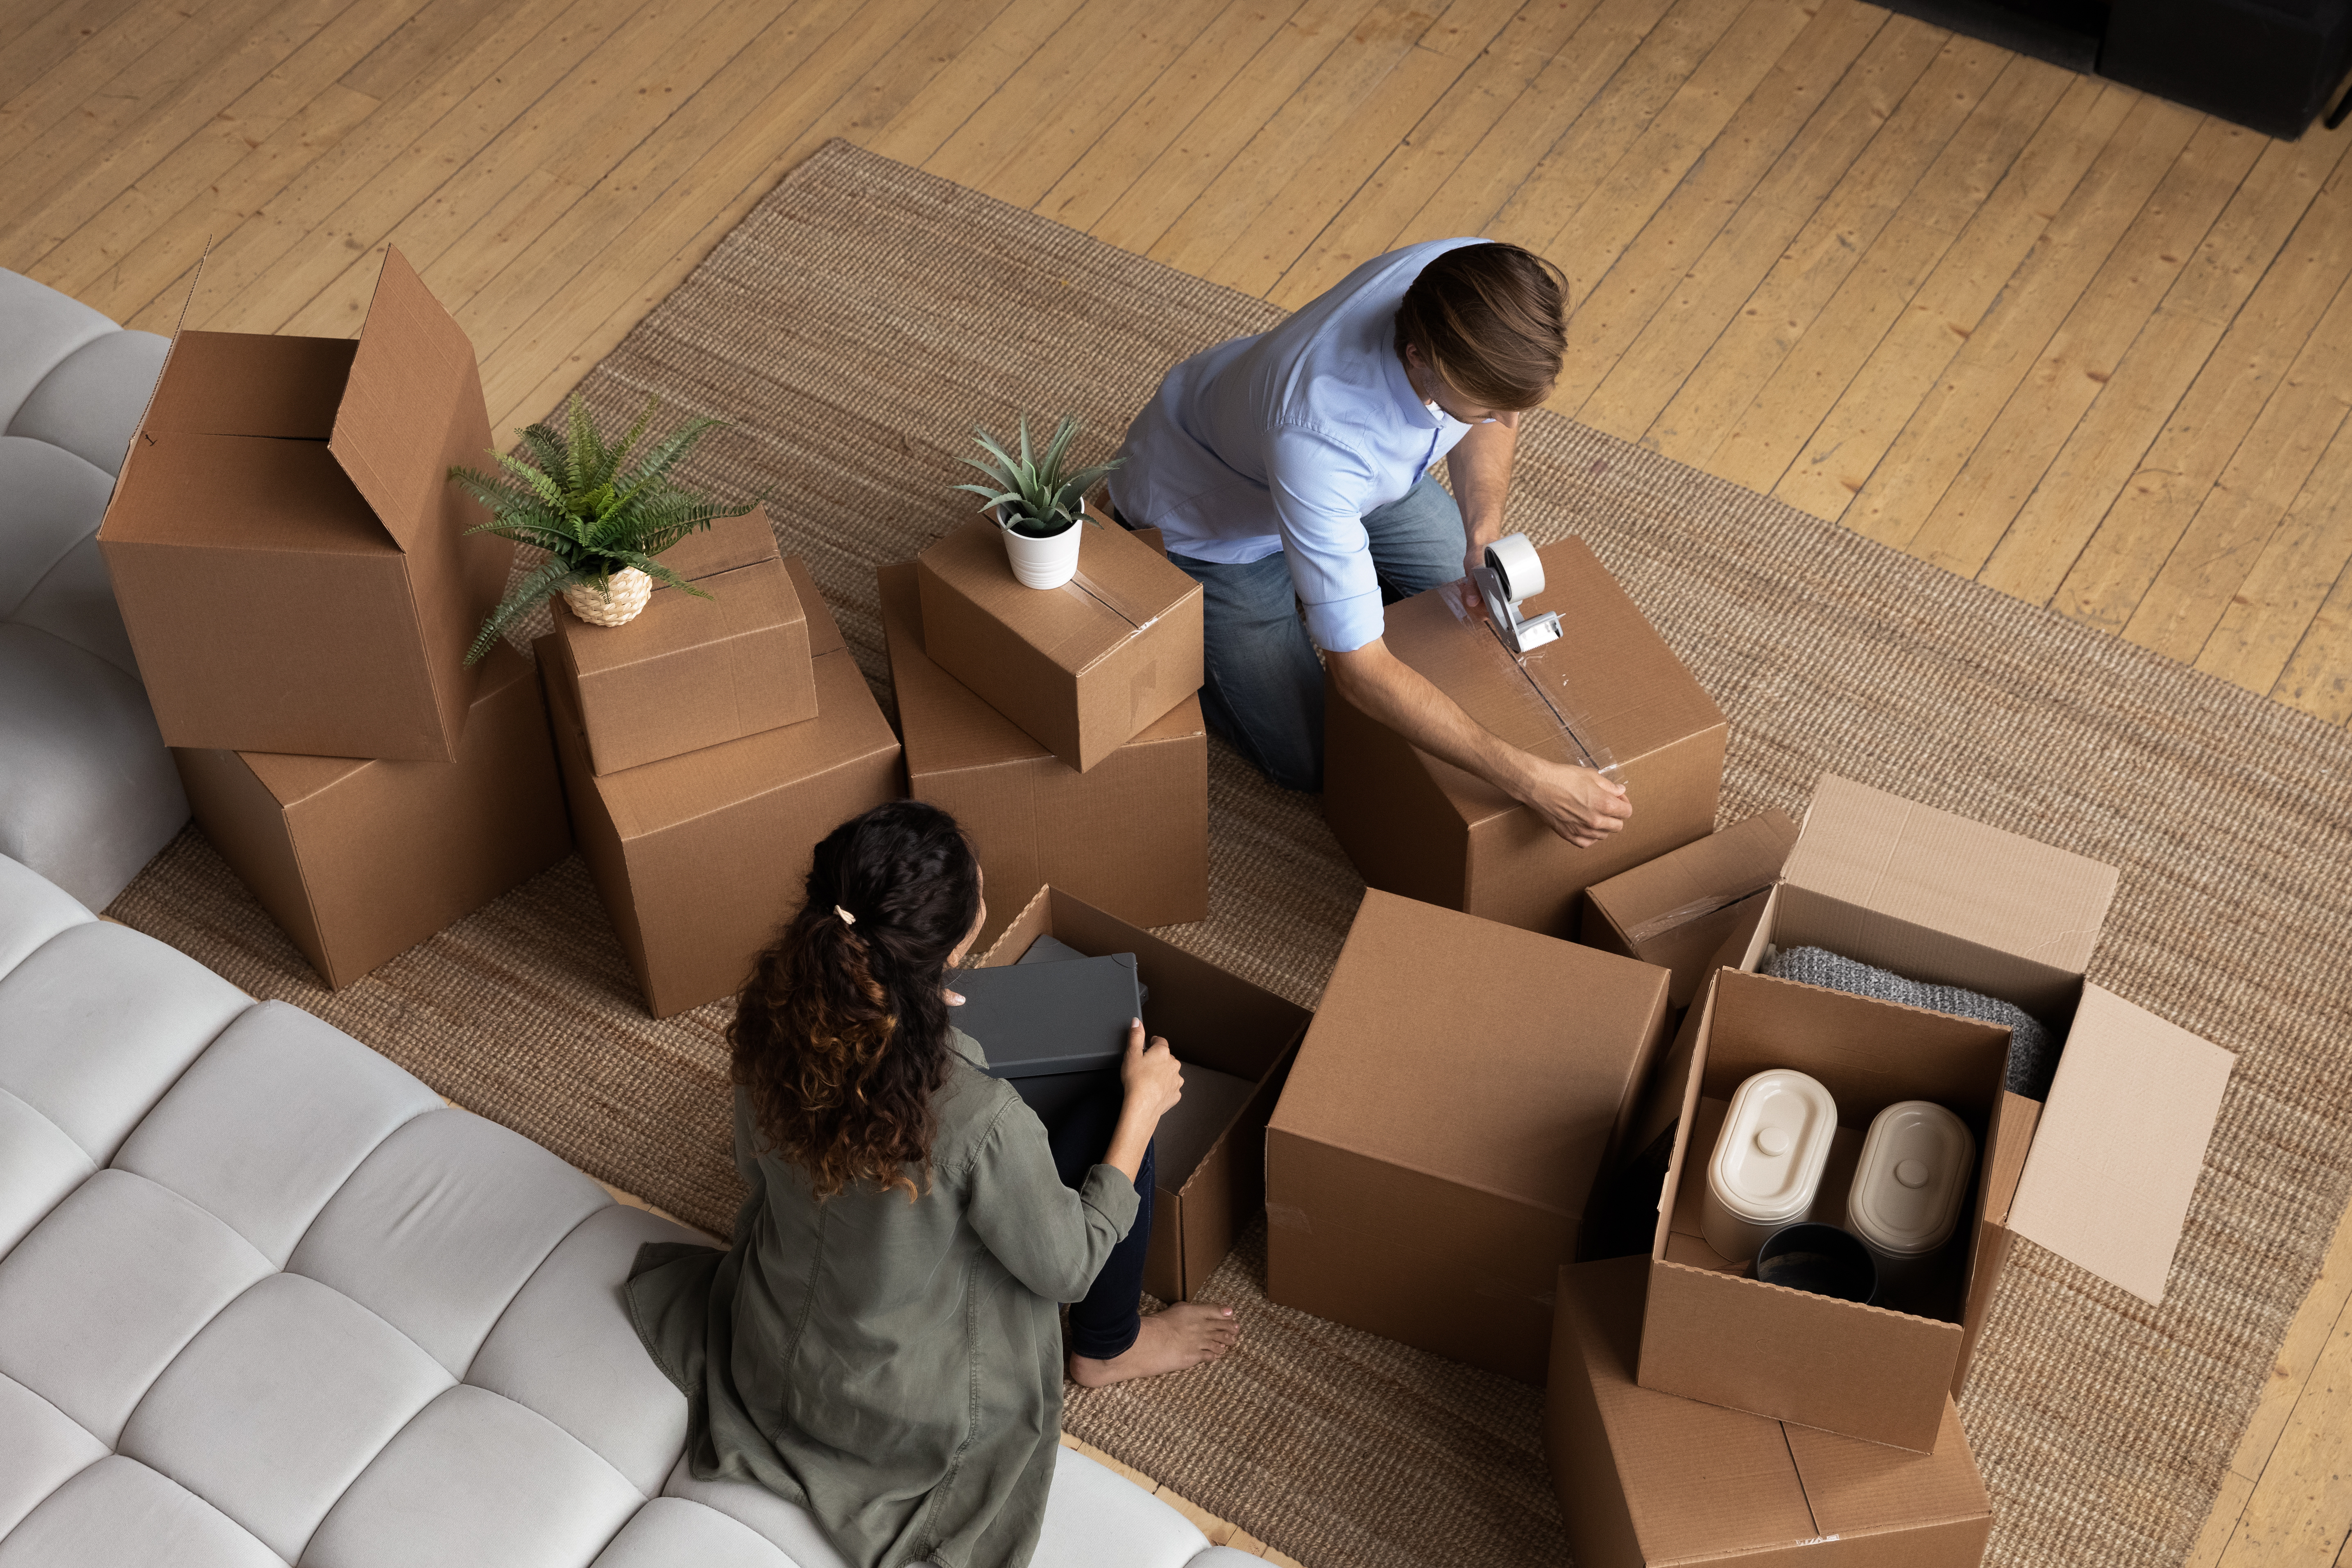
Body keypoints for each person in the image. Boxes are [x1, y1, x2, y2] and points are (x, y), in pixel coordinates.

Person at [624, 800, 1238, 1568]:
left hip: (772, 1349)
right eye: (978, 894)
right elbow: (1066, 1267)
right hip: (901, 1411)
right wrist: (1144, 1106)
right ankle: (1107, 1350)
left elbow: (751, 1168)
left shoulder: (769, 1018)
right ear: (954, 945)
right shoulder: (978, 1117)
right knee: (1119, 1115)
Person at [1110, 238, 1631, 849]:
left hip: (1367, 483)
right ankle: (1168, 610)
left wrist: (1480, 535)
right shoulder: (1322, 440)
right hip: (1216, 527)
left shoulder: (1471, 282)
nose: (1496, 418)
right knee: (1317, 756)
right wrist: (1527, 780)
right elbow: (1358, 673)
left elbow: (1499, 415)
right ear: (1419, 359)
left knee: (1465, 618)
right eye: (1482, 404)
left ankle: (1331, 580)